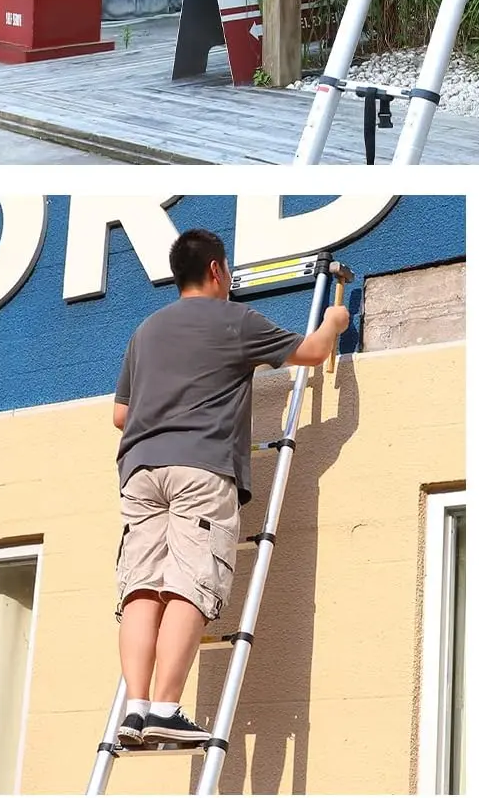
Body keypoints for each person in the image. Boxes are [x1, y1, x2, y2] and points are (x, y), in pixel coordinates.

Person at [110, 228, 350, 748]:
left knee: (141, 589)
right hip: (201, 469)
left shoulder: (145, 331)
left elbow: (121, 415)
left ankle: (134, 707)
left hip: (139, 472)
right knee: (189, 585)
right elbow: (309, 352)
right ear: (218, 271)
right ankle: (167, 709)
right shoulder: (233, 319)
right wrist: (334, 320)